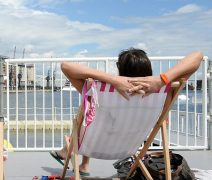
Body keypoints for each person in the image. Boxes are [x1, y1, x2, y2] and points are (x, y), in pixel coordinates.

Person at [49, 48, 203, 176]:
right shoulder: (164, 92)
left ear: (120, 70)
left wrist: (114, 80)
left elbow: (66, 66)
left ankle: (70, 155)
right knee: (96, 119)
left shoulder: (99, 90)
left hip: (93, 145)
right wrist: (162, 80)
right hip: (129, 149)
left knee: (89, 120)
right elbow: (198, 56)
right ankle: (76, 159)